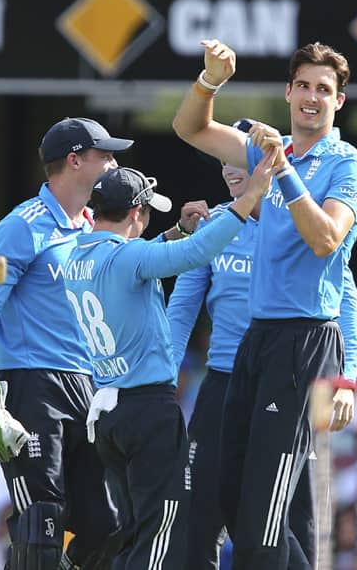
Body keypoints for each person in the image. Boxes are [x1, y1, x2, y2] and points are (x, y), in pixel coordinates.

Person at [0, 117, 204, 568]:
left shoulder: (94, 224)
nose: (114, 163)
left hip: (90, 386)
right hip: (32, 387)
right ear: (75, 161)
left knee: (109, 526)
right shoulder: (21, 225)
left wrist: (173, 236)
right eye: (105, 155)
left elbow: (124, 264)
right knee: (41, 522)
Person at [172, 39, 357, 568]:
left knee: (264, 518)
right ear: (287, 92)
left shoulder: (348, 165)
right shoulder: (270, 148)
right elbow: (190, 128)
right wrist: (211, 80)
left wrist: (281, 168)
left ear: (339, 102)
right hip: (255, 341)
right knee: (231, 496)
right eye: (303, 86)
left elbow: (326, 239)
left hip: (305, 343)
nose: (312, 97)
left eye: (324, 90)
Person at [69, 162, 273, 569]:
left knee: (131, 532)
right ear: (135, 214)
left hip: (108, 409)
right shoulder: (130, 257)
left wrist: (174, 231)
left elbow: (142, 256)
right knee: (162, 531)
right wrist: (248, 199)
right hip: (147, 411)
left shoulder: (78, 254)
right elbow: (195, 252)